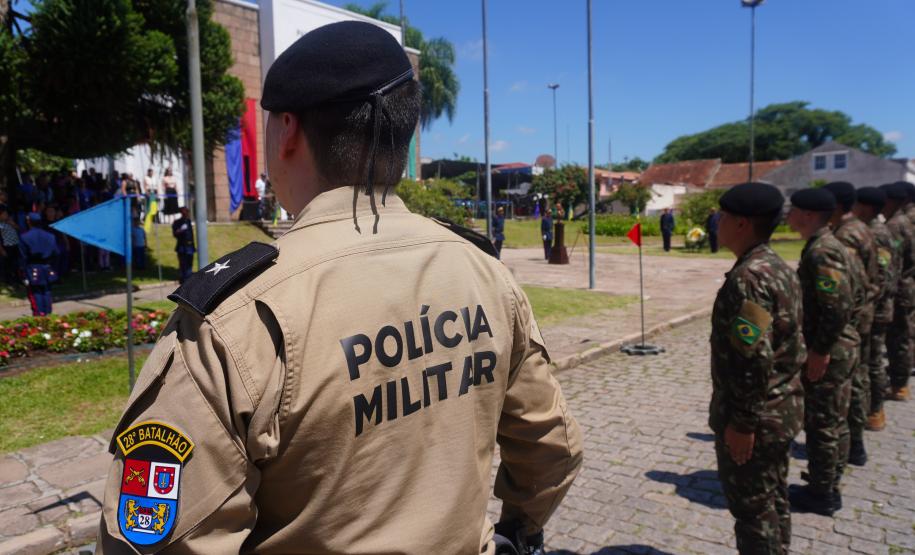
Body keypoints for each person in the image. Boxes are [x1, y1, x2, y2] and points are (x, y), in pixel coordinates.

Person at [97, 22, 582, 554]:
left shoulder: (236, 318)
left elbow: (157, 539)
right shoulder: (484, 273)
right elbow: (550, 445)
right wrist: (519, 527)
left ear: (288, 132)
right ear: (404, 136)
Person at [709, 183, 804, 554]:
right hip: (782, 410)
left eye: (724, 217)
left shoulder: (749, 278)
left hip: (760, 421)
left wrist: (743, 423)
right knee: (773, 500)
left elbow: (753, 357)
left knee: (754, 510)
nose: (718, 223)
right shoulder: (776, 266)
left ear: (742, 224)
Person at [786, 187, 859, 516]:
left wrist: (820, 350)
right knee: (832, 421)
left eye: (793, 209)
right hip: (833, 346)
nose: (788, 215)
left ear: (808, 215)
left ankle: (822, 493)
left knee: (823, 423)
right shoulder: (823, 245)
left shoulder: (823, 251)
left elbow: (837, 306)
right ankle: (827, 484)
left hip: (829, 349)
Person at [823, 182, 877, 466]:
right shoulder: (860, 229)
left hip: (850, 322)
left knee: (848, 385)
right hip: (862, 316)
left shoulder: (845, 237)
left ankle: (851, 444)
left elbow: (843, 291)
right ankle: (853, 441)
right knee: (859, 376)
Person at [852, 187, 896, 431]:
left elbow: (882, 276)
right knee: (870, 361)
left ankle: (874, 410)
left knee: (870, 362)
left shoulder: (875, 234)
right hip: (876, 307)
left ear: (866, 207)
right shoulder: (878, 231)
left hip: (874, 310)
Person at [881, 182, 914, 401]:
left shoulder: (896, 224)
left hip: (902, 286)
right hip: (911, 283)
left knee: (898, 335)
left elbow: (890, 264)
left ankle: (899, 384)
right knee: (907, 331)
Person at [19, 212, 59, 316]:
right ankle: (48, 313)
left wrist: (22, 272)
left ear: (28, 222)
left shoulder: (24, 237)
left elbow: (23, 257)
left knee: (36, 293)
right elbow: (56, 253)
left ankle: (39, 314)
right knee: (47, 291)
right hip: (47, 266)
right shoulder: (50, 236)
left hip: (33, 267)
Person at [171, 207, 195, 284]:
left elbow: (191, 235)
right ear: (182, 213)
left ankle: (188, 280)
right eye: (185, 213)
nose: (186, 214)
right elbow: (175, 234)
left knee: (189, 263)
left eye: (187, 212)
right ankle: (183, 280)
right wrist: (181, 230)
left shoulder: (188, 221)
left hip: (189, 246)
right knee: (183, 264)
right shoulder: (177, 222)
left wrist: (193, 246)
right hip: (182, 246)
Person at [0, 206, 21, 284]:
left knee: (16, 263)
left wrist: (13, 224)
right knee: (8, 264)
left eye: (6, 214)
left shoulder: (10, 221)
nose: (6, 215)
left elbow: (19, 229)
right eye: (4, 214)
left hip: (15, 245)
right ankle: (8, 279)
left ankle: (17, 278)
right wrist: (2, 250)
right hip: (7, 246)